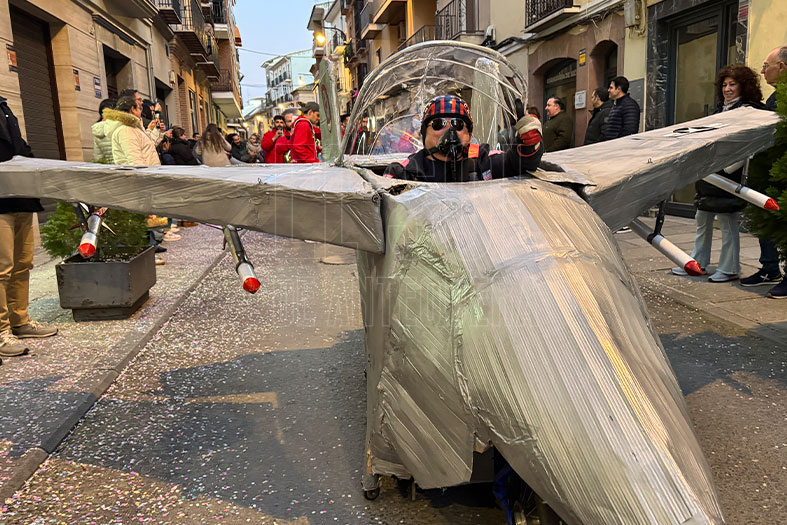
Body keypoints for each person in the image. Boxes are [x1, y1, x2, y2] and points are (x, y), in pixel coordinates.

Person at [671, 64, 764, 282]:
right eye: (724, 85)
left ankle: (730, 268)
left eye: (733, 84)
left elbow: (746, 145)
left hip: (729, 172)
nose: (727, 89)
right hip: (710, 171)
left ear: (743, 86)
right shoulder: (721, 109)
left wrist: (728, 166)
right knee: (702, 218)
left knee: (726, 220)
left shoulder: (748, 111)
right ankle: (698, 263)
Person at [0, 96, 58, 360]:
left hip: (20, 195)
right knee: (2, 268)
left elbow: (19, 146)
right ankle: (2, 331)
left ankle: (20, 321)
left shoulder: (4, 106)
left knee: (22, 263)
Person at [383, 94, 543, 182]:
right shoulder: (405, 172)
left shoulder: (483, 161)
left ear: (469, 134)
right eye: (438, 123)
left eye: (458, 124)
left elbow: (519, 163)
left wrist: (529, 144)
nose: (450, 130)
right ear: (424, 133)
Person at [740, 45, 787, 297]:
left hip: (782, 170)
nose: (762, 71)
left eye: (766, 66)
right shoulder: (774, 98)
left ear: (782, 66)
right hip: (769, 170)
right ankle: (769, 268)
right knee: (766, 220)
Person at [104, 95, 163, 166]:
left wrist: (156, 129)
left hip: (150, 171)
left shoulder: (132, 127)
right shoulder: (126, 130)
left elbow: (147, 146)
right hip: (145, 172)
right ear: (133, 109)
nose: (141, 112)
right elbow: (136, 162)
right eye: (139, 108)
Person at [602, 76, 641, 140]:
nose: (608, 90)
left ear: (618, 89)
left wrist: (616, 142)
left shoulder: (630, 105)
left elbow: (630, 130)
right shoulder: (616, 105)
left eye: (611, 88)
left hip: (620, 144)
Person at [91, 98, 119, 163]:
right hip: (124, 166)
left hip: (108, 167)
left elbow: (98, 156)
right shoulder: (118, 126)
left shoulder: (97, 129)